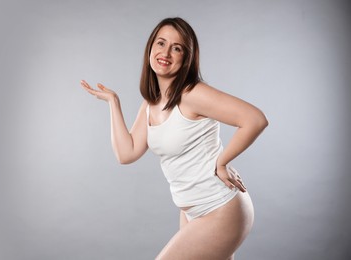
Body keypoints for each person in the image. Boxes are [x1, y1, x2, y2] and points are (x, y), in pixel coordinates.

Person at [81, 17, 268, 260]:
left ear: (187, 58)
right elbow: (127, 153)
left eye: (177, 48)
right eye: (161, 43)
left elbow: (255, 119)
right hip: (192, 211)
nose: (166, 52)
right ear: (150, 48)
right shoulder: (151, 103)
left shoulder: (192, 94)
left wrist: (222, 162)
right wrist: (113, 103)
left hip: (220, 208)